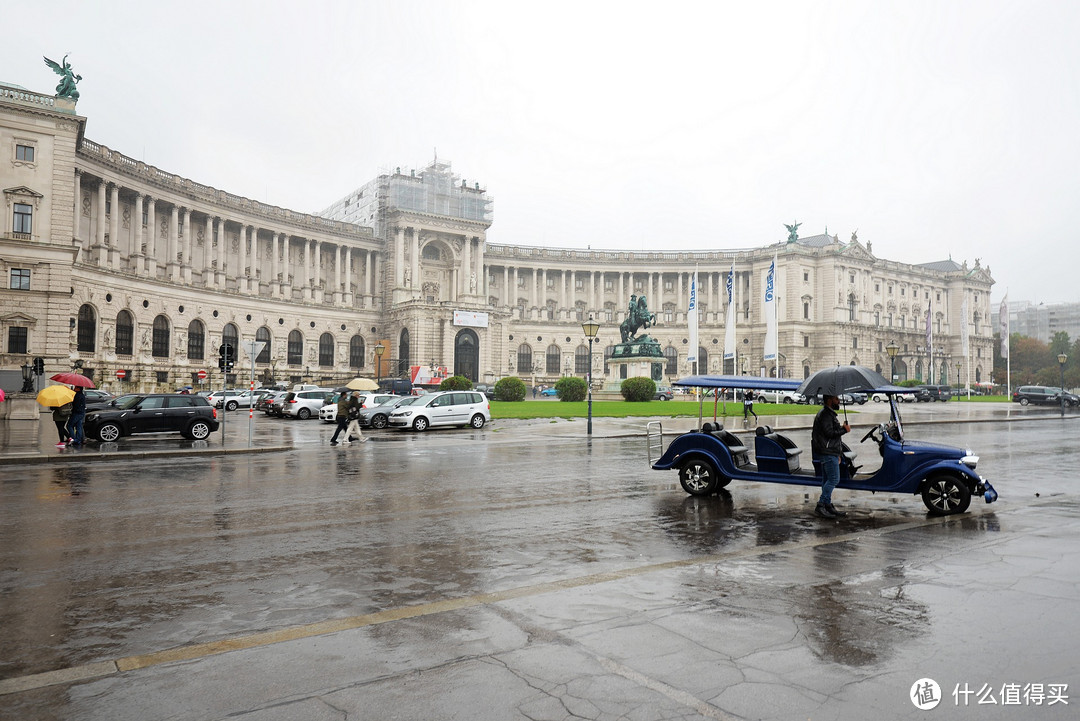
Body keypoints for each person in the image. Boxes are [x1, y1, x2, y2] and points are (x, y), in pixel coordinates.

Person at [811, 394, 851, 519]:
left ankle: (827, 505)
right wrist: (844, 430)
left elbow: (830, 431)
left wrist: (838, 453)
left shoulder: (828, 414)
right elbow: (829, 433)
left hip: (829, 451)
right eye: (836, 399)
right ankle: (821, 504)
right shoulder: (825, 415)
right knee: (834, 479)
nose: (838, 401)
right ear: (829, 400)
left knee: (826, 480)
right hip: (827, 451)